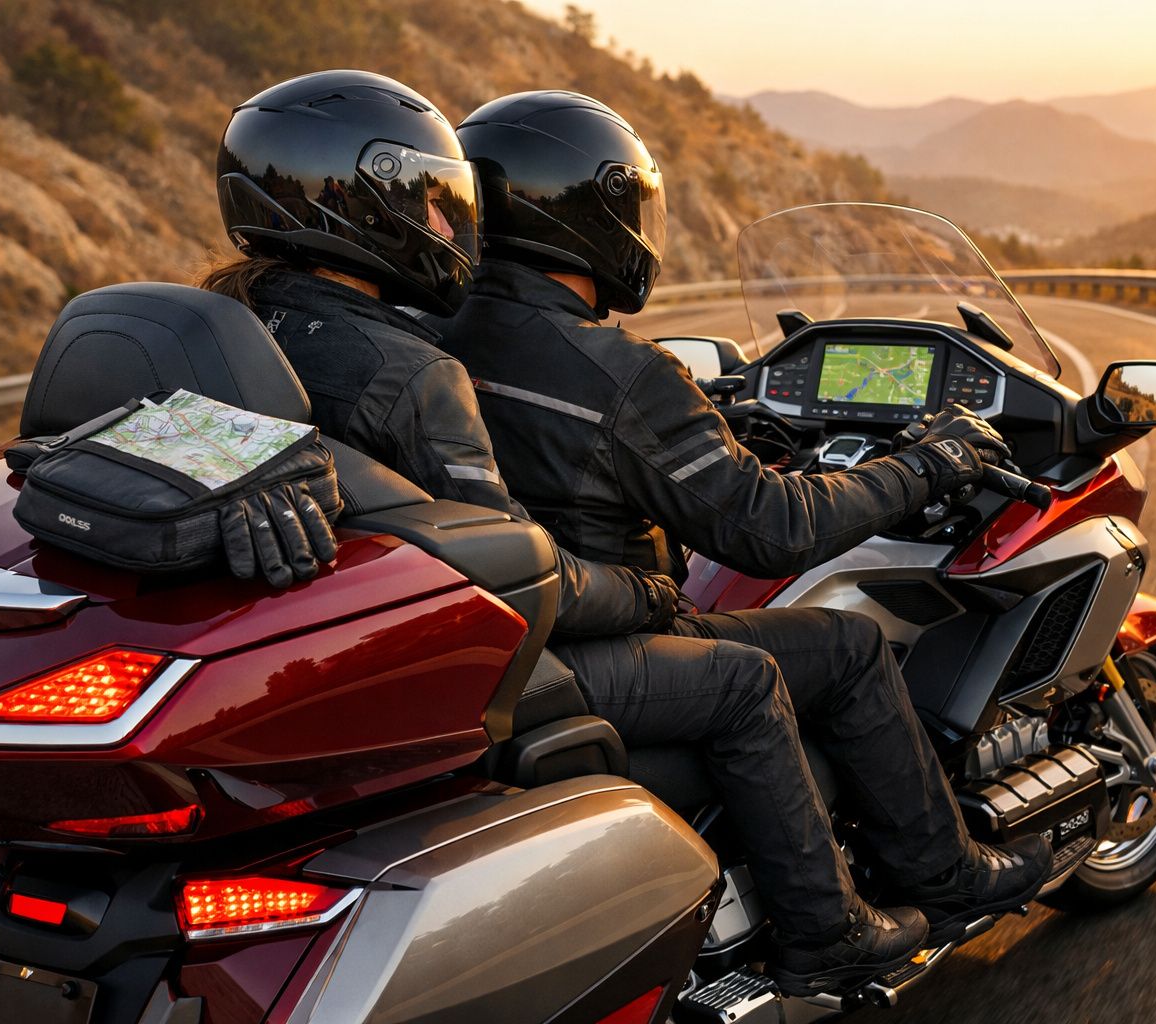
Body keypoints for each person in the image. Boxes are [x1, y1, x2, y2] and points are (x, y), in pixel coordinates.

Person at [431, 90, 1054, 985]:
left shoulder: (431, 336)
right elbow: (773, 529)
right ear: (595, 214)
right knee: (844, 647)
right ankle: (895, 900)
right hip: (605, 631)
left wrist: (715, 433)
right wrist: (929, 463)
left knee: (810, 649)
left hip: (502, 634)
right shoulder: (621, 370)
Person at [201, 70, 682, 639]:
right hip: (449, 645)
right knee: (745, 673)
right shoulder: (409, 374)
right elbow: (513, 569)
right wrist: (647, 594)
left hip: (295, 629)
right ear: (371, 206)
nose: (447, 226)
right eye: (432, 201)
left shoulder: (214, 325)